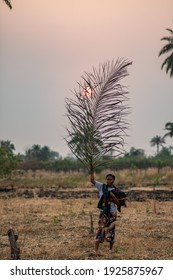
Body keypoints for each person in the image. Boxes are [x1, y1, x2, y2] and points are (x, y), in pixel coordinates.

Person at [90, 173, 126, 254]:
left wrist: (112, 196)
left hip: (112, 213)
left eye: (110, 179)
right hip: (103, 213)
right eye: (107, 179)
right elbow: (92, 180)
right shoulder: (102, 187)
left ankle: (110, 249)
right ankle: (96, 250)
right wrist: (92, 170)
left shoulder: (116, 190)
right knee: (100, 229)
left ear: (113, 180)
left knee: (111, 230)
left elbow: (119, 203)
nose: (109, 181)